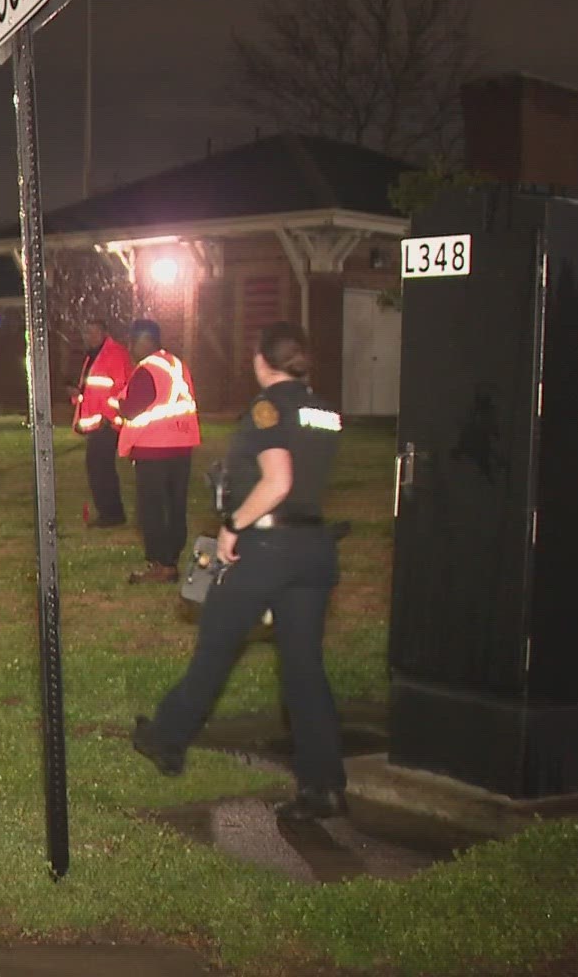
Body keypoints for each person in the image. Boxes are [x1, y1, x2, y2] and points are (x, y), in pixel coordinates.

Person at [131, 321, 349, 822]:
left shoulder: (266, 409)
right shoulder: (325, 412)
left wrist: (232, 525)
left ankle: (167, 739)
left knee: (216, 645)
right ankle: (324, 785)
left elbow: (278, 480)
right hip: (316, 549)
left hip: (268, 547)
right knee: (304, 671)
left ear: (261, 360)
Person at [116, 319, 200, 584]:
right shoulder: (177, 365)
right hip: (181, 445)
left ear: (143, 341)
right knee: (175, 506)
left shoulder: (147, 370)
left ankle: (160, 564)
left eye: (132, 342)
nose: (130, 348)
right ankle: (171, 560)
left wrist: (119, 403)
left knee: (152, 509)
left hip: (154, 450)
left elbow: (132, 409)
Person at [71, 316, 132, 527]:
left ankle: (112, 514)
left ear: (104, 332)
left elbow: (121, 390)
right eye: (87, 332)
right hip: (98, 423)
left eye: (94, 332)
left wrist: (110, 418)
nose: (89, 337)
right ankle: (110, 512)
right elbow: (92, 390)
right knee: (99, 468)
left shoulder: (113, 354)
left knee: (101, 468)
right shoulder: (94, 356)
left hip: (106, 424)